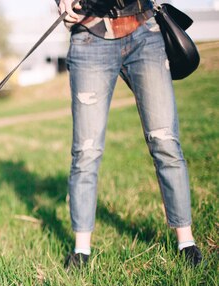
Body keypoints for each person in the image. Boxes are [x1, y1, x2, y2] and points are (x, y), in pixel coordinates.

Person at [55, 0, 203, 268]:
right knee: (86, 152)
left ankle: (186, 242)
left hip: (144, 31)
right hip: (90, 37)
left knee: (165, 141)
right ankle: (81, 250)